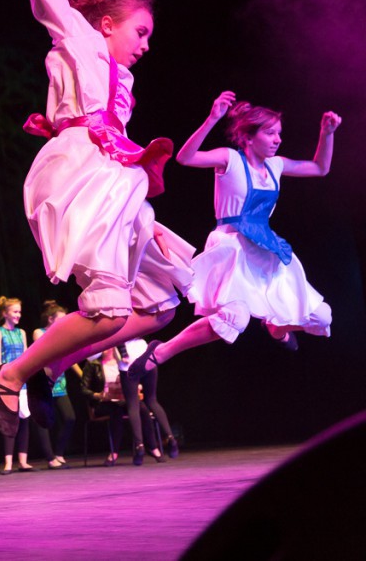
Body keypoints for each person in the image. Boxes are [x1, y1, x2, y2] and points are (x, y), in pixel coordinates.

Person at [0, 0, 194, 437]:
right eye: (140, 32)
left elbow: (120, 156)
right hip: (79, 173)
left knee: (161, 306)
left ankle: (56, 361)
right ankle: (15, 372)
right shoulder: (79, 41)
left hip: (113, 181)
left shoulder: (122, 81)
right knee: (107, 309)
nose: (146, 44)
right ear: (105, 25)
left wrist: (148, 223)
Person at [129, 94, 340, 375]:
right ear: (248, 137)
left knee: (322, 317)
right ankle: (162, 351)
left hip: (265, 249)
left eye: (279, 133)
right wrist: (212, 118)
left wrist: (326, 134)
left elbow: (320, 168)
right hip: (231, 247)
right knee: (234, 318)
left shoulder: (276, 165)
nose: (278, 139)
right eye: (270, 133)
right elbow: (185, 158)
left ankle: (277, 328)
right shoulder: (230, 159)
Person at [30, 301, 81, 468]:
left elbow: (70, 357)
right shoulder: (39, 332)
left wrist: (81, 375)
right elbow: (46, 350)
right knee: (44, 420)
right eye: (61, 319)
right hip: (45, 381)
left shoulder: (63, 335)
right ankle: (50, 458)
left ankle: (59, 453)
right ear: (51, 319)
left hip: (60, 383)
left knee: (69, 417)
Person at [0, 297, 35, 474]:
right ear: (5, 313)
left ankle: (23, 462)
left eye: (19, 312)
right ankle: (8, 463)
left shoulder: (21, 332)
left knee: (24, 419)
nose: (18, 315)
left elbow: (26, 355)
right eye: (15, 312)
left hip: (22, 382)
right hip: (8, 382)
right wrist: (3, 380)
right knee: (10, 421)